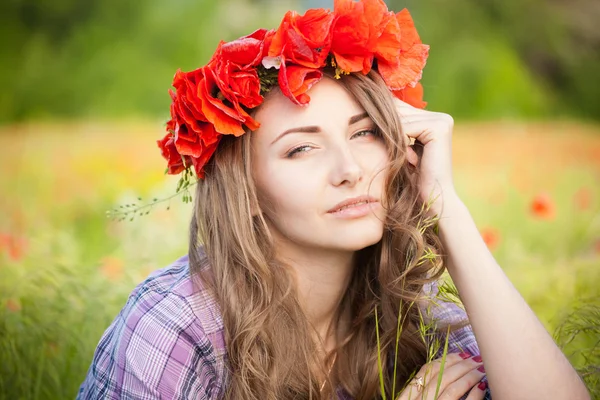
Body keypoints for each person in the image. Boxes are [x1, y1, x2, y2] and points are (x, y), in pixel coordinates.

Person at [77, 1, 591, 399]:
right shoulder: (181, 328)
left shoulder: (409, 310)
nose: (349, 171)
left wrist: (445, 208)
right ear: (246, 190)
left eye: (366, 133)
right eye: (301, 148)